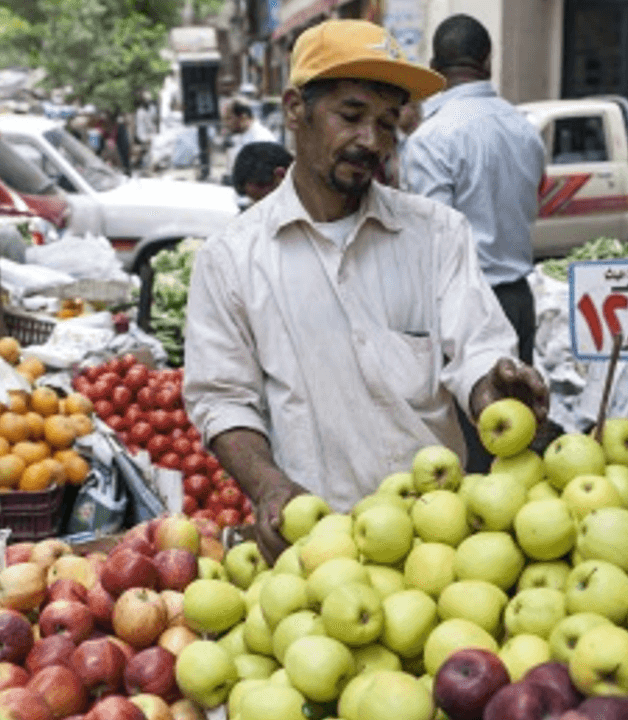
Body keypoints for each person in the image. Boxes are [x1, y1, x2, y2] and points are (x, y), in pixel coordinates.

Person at [182, 19, 550, 561]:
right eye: (351, 116)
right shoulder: (231, 259)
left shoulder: (438, 233)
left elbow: (477, 350)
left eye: (387, 124)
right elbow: (222, 399)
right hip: (317, 544)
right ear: (294, 110)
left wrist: (494, 391)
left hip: (440, 541)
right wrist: (268, 486)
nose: (371, 141)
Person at [401, 14, 546, 367]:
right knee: (518, 416)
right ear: (487, 61)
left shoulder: (431, 139)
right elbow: (535, 197)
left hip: (465, 307)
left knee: (471, 420)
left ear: (434, 68)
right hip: (518, 299)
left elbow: (432, 240)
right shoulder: (524, 128)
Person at [222, 99, 276, 179]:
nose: (226, 123)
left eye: (229, 118)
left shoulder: (260, 139)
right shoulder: (239, 135)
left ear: (243, 118)